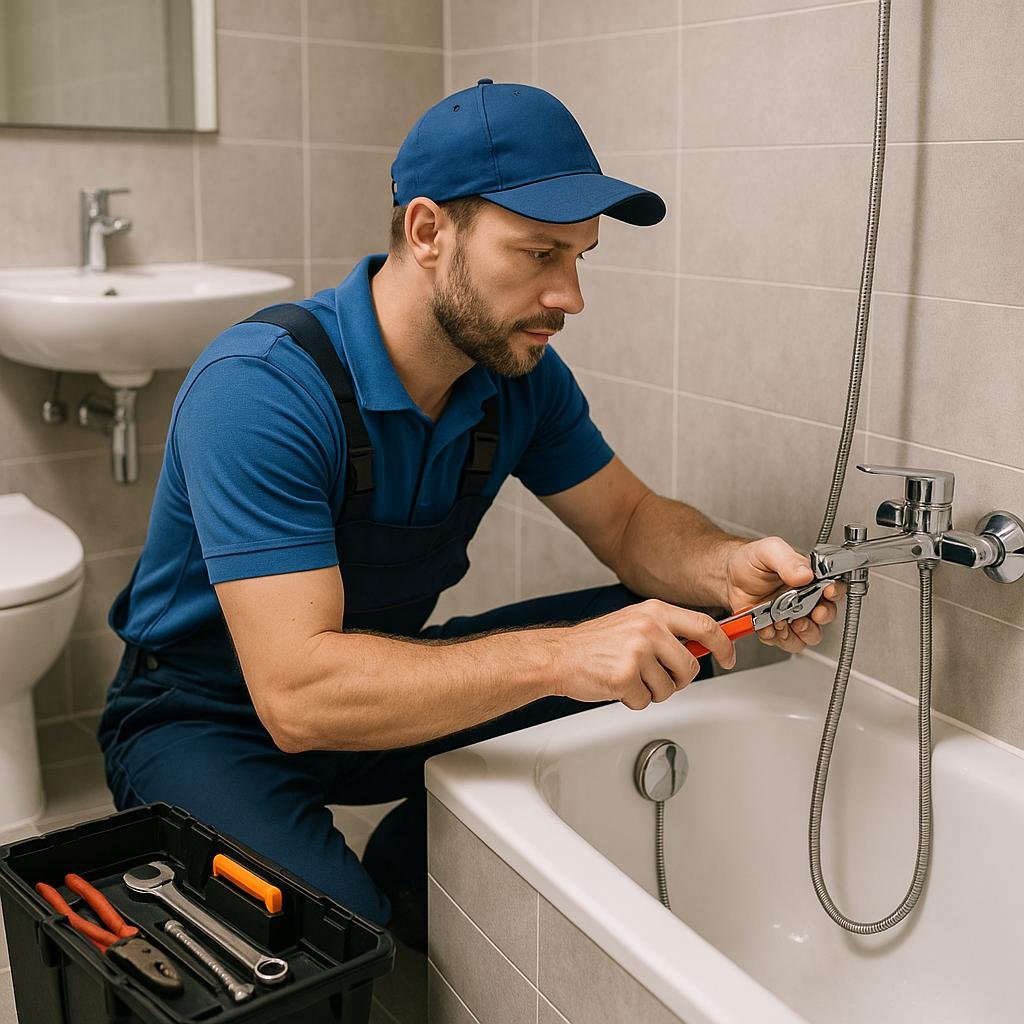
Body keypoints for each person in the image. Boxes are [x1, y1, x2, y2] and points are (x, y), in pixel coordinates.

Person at [98, 79, 843, 951]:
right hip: (210, 717)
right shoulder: (261, 388)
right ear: (427, 232)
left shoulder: (515, 379)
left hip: (379, 687)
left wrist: (727, 568)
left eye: (578, 258)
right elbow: (296, 695)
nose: (569, 296)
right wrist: (561, 657)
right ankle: (366, 907)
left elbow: (632, 522)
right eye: (537, 255)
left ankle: (421, 873)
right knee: (338, 937)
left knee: (687, 636)